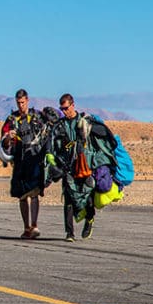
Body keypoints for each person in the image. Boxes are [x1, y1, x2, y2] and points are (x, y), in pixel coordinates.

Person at [48, 93, 115, 242]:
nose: (64, 111)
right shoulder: (59, 126)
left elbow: (100, 137)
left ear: (73, 105)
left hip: (86, 165)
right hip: (68, 166)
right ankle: (69, 233)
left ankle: (89, 220)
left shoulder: (85, 121)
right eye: (62, 108)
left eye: (66, 108)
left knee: (88, 197)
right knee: (68, 199)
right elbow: (53, 144)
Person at [0, 89, 47, 239]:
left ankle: (34, 225)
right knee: (21, 195)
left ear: (27, 100)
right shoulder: (11, 119)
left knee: (34, 193)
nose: (20, 105)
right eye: (18, 103)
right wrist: (8, 137)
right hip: (19, 161)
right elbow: (4, 142)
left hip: (34, 158)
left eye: (22, 102)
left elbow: (47, 134)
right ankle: (26, 227)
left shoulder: (37, 117)